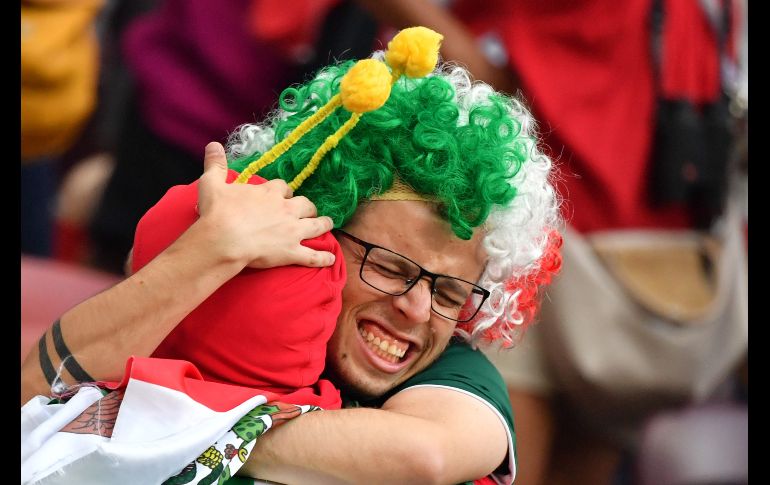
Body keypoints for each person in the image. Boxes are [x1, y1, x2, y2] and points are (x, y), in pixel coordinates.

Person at [21, 26, 562, 485]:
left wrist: (159, 429)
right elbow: (34, 395)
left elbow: (425, 454)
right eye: (390, 267)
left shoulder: (457, 370)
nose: (418, 310)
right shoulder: (221, 289)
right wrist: (208, 251)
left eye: (449, 292)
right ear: (309, 227)